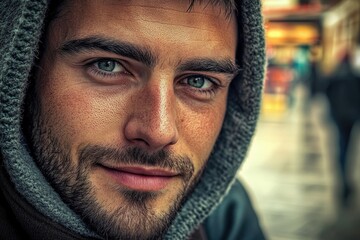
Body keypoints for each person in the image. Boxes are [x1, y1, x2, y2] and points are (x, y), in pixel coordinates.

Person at [0, 0, 266, 239]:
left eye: (199, 81)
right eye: (108, 66)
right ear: (22, 73)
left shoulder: (227, 217)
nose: (158, 131)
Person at [324, 51, 360, 207]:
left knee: (341, 146)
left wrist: (331, 113)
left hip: (339, 117)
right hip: (350, 118)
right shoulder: (355, 77)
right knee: (348, 146)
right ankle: (346, 175)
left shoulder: (335, 76)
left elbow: (327, 95)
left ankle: (343, 174)